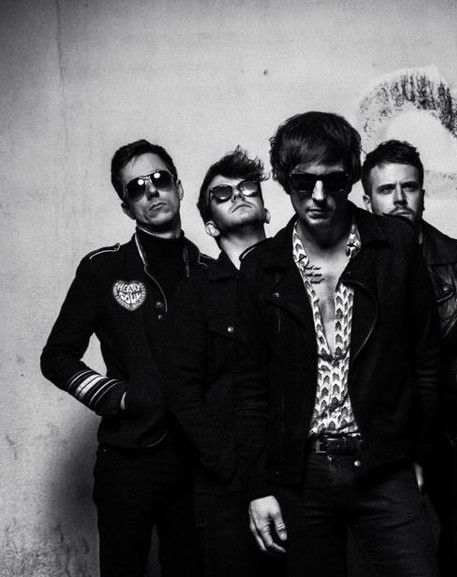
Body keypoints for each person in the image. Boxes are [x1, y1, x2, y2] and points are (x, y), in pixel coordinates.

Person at [233, 112, 441, 577]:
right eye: (303, 182)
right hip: (301, 471)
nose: (319, 196)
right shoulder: (261, 268)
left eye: (334, 181)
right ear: (283, 180)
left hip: (383, 464)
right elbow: (250, 389)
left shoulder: (395, 245)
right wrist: (258, 487)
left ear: (351, 178)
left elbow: (427, 359)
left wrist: (419, 455)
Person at [40, 140, 205, 577]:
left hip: (197, 464)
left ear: (179, 187)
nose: (152, 191)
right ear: (126, 206)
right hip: (128, 460)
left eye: (160, 179)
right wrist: (121, 397)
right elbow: (56, 357)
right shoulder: (102, 269)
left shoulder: (211, 273)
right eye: (136, 188)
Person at [362, 139, 457, 577]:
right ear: (367, 201)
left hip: (455, 443)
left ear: (423, 196)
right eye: (385, 189)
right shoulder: (350, 268)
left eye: (409, 187)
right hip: (384, 453)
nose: (399, 199)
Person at [161, 147, 280, 576]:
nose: (239, 195)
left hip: (299, 475)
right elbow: (183, 394)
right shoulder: (196, 295)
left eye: (248, 188)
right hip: (227, 484)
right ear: (210, 226)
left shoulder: (303, 280)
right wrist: (238, 471)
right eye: (222, 193)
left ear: (267, 211)